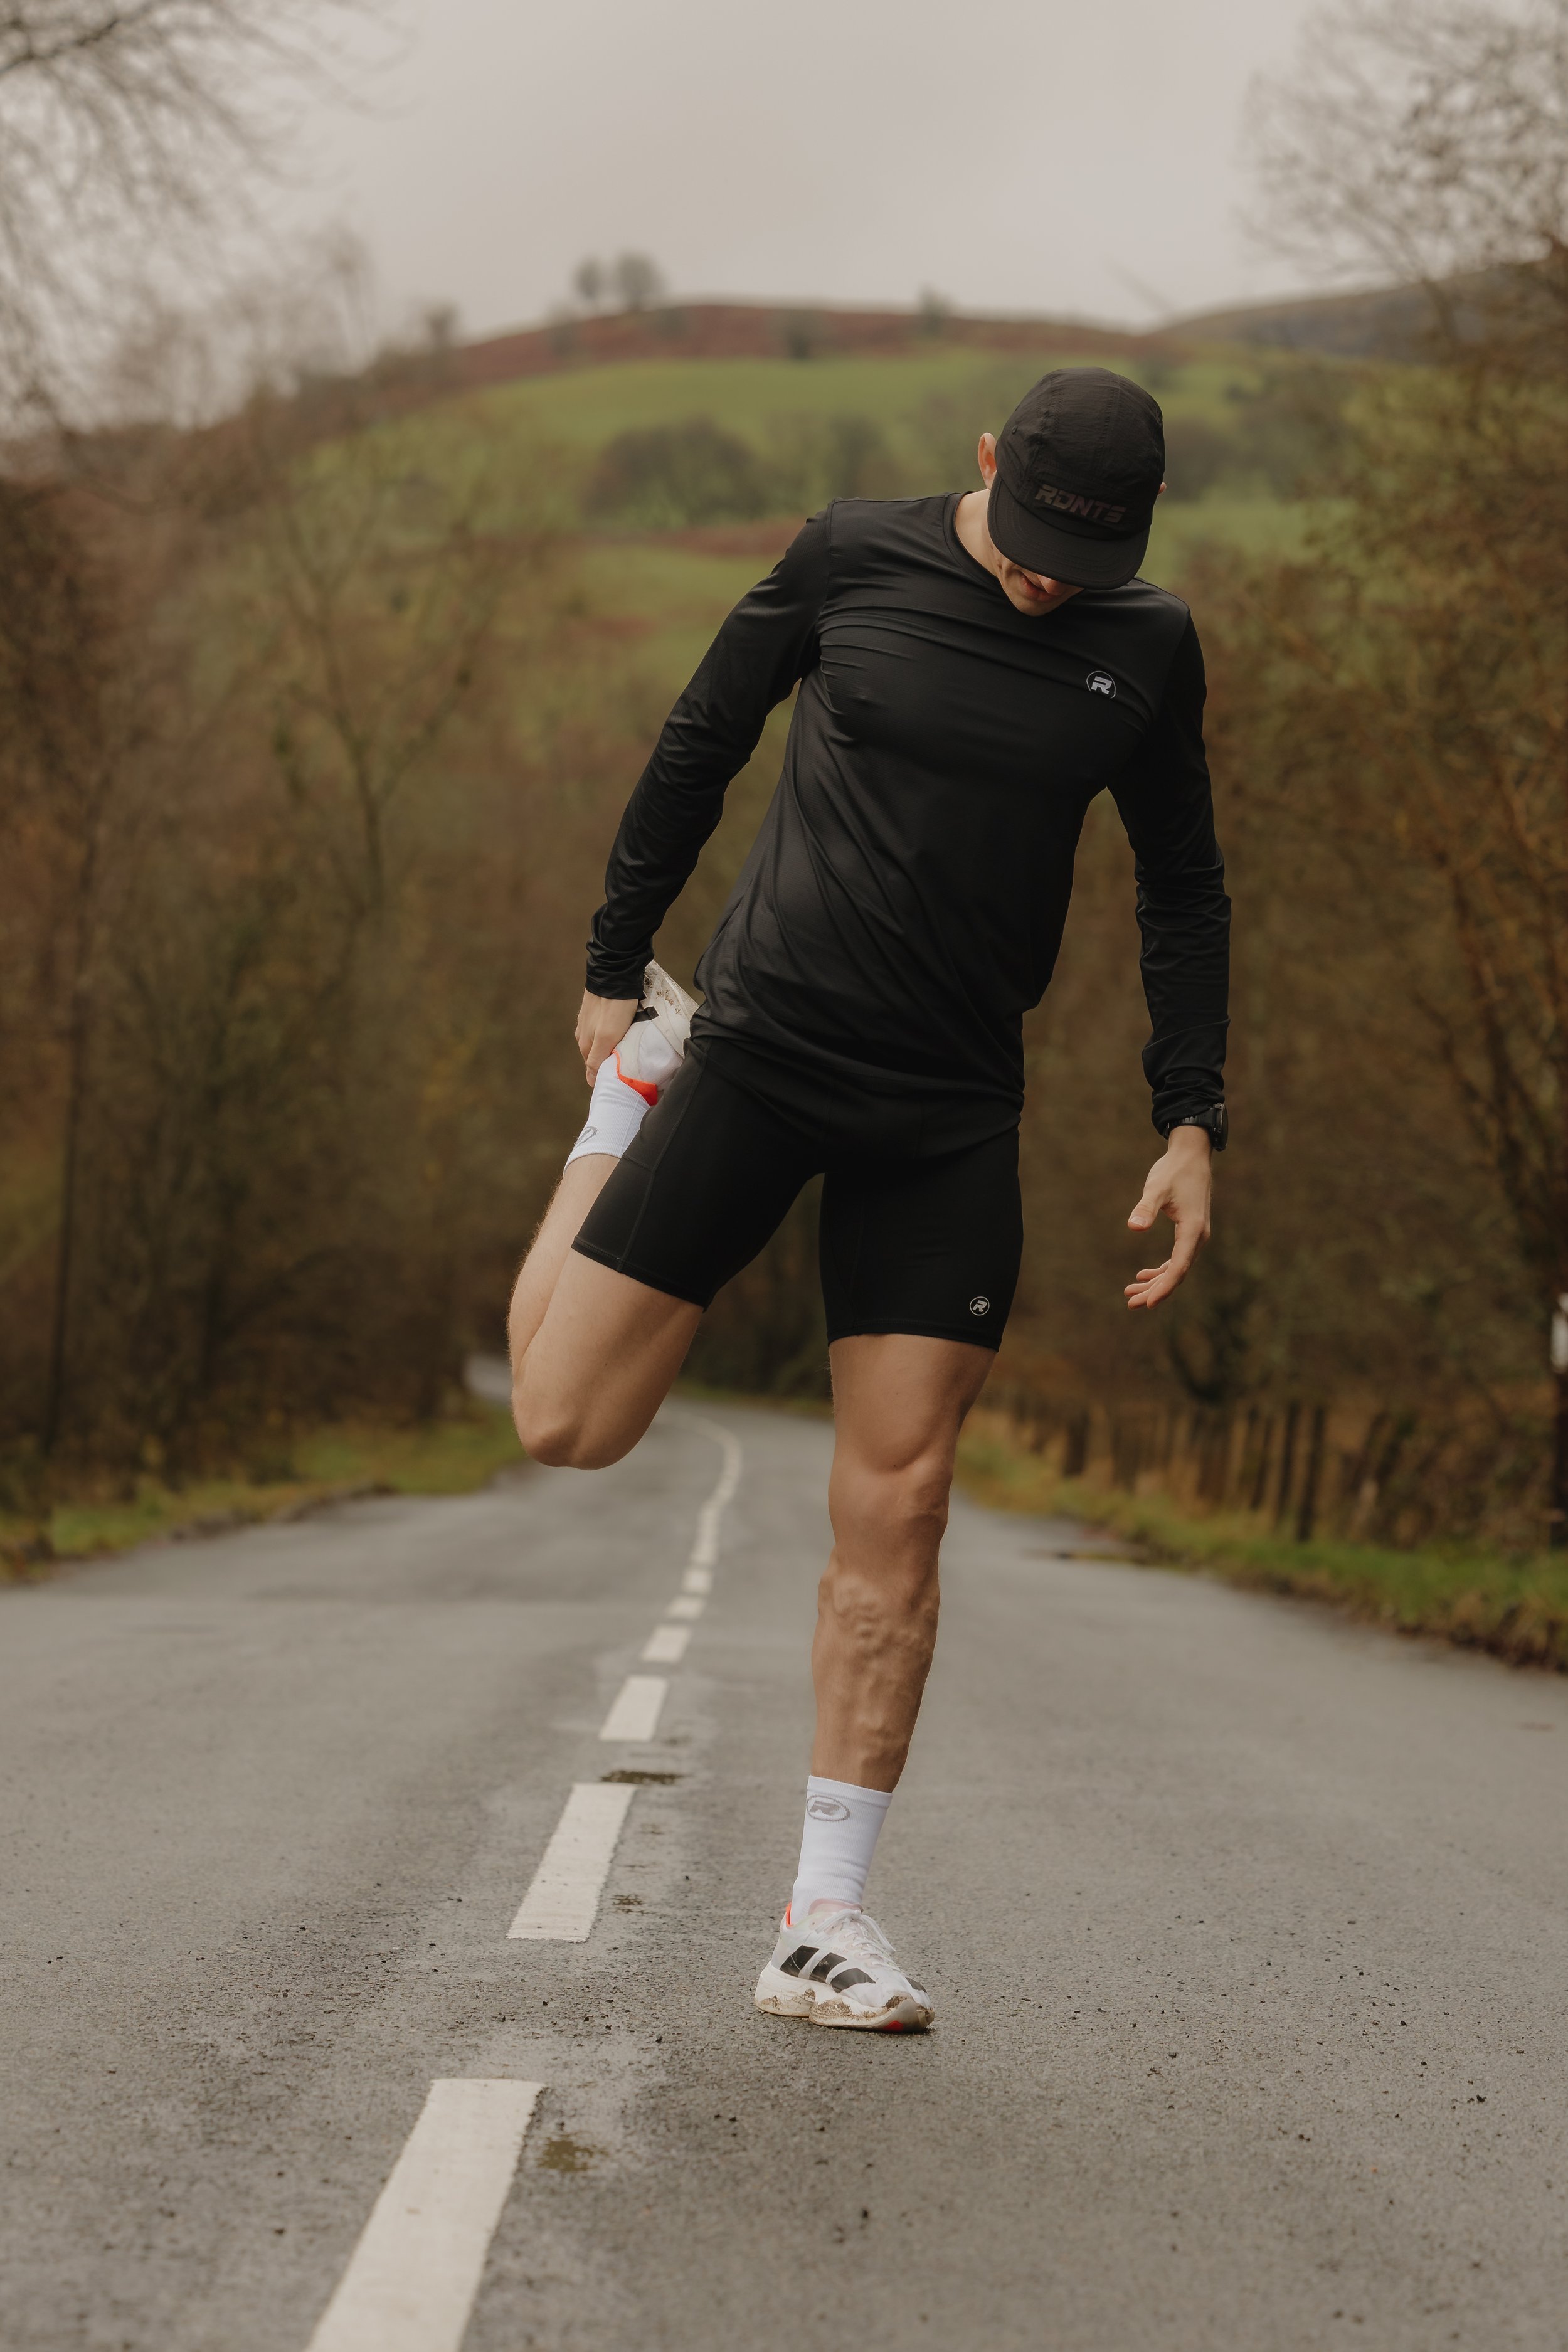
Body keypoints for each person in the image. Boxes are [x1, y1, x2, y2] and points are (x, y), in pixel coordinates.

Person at [509, 367, 1229, 2031]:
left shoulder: (1152, 645)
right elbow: (698, 742)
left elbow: (1185, 885)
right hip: (753, 1055)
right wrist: (614, 974)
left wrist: (1187, 1118)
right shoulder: (848, 559)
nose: (1052, 577)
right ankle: (618, 1121)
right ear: (984, 468)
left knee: (897, 1509)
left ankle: (822, 1916)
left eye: (1089, 554)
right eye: (1034, 538)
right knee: (565, 1423)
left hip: (950, 1109)